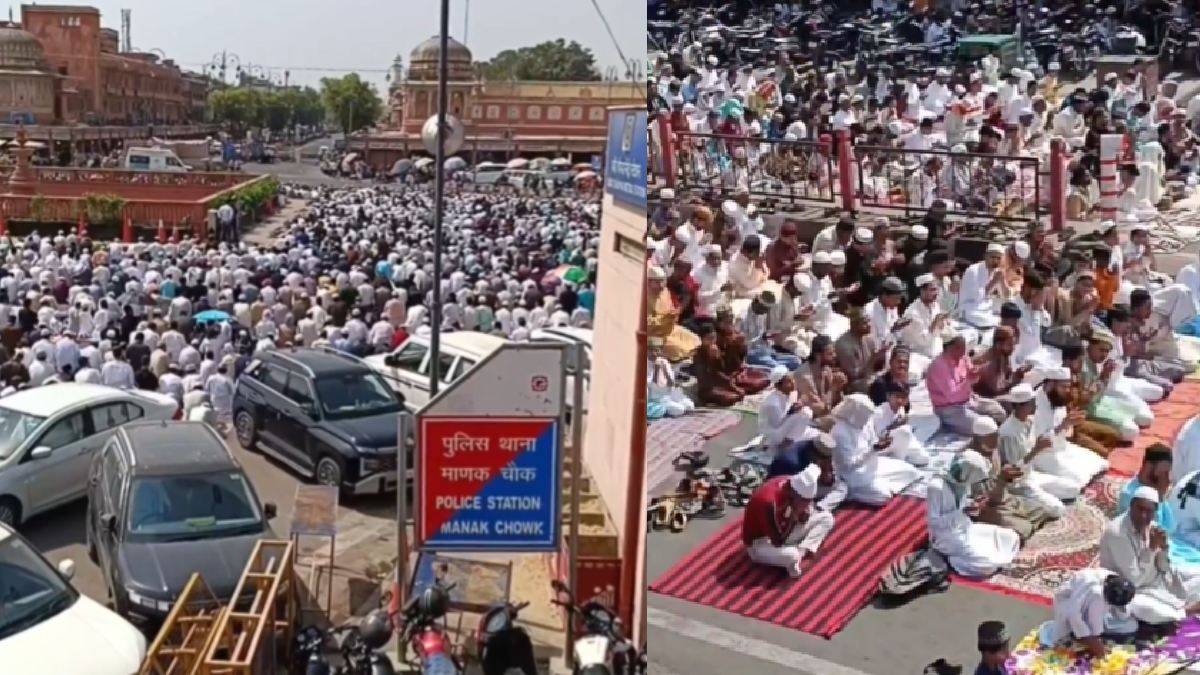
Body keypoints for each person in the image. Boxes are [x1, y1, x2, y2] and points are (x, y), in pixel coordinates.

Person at [1099, 485, 1200, 625]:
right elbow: (1134, 580)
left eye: (1149, 511)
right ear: (1131, 506)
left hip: (1157, 582)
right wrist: (1152, 548)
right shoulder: (1117, 533)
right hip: (1130, 590)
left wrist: (1164, 548)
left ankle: (1181, 606)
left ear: (1155, 512)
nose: (1143, 516)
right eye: (1140, 509)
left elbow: (1164, 568)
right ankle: (1186, 612)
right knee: (1146, 609)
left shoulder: (1152, 527)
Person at [927, 449, 1021, 577]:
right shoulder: (936, 487)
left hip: (967, 528)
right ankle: (952, 559)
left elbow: (963, 505)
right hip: (948, 537)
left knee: (1010, 536)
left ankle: (976, 557)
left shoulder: (962, 482)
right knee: (986, 564)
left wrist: (972, 505)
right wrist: (962, 512)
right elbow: (934, 523)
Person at [830, 394, 922, 506]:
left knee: (911, 472)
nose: (867, 419)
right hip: (854, 474)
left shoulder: (866, 422)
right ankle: (851, 492)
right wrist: (873, 450)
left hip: (873, 463)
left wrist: (882, 443)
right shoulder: (840, 433)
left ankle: (880, 484)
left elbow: (873, 440)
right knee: (883, 497)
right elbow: (848, 465)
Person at [742, 464, 833, 578]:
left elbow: (805, 508)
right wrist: (795, 516)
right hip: (762, 542)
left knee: (827, 518)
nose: (806, 505)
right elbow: (778, 541)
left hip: (786, 526)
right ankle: (797, 555)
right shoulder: (768, 503)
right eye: (805, 502)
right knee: (792, 555)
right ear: (796, 496)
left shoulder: (792, 483)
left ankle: (803, 549)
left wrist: (806, 511)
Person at [995, 383, 1071, 518]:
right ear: (1019, 406)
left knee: (1072, 488)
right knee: (1058, 509)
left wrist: (1065, 424)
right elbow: (1013, 470)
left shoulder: (1029, 421)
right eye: (1031, 403)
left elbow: (1042, 439)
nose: (1035, 405)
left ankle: (1039, 498)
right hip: (1019, 484)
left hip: (1031, 475)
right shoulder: (1009, 433)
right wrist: (1036, 450)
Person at [1042, 569, 1136, 659]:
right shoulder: (1093, 588)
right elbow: (1073, 614)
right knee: (1064, 639)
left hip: (1095, 601)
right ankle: (1075, 636)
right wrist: (1089, 638)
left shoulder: (1116, 583)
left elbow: (1120, 610)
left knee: (1124, 626)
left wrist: (1095, 637)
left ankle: (1089, 637)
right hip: (1067, 600)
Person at [926, 335, 1005, 436]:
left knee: (998, 412)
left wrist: (978, 372)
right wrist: (969, 380)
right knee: (984, 426)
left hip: (970, 400)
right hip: (949, 409)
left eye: (964, 348)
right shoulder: (938, 366)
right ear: (948, 347)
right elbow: (952, 396)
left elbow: (972, 376)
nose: (963, 352)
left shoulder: (963, 357)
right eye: (959, 348)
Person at [760, 365, 818, 457]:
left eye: (792, 380)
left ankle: (791, 440)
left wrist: (794, 409)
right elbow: (777, 424)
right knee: (805, 413)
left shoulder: (789, 394)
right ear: (778, 386)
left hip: (786, 429)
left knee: (816, 435)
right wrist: (792, 412)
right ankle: (785, 446)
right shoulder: (773, 403)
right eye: (788, 381)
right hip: (774, 434)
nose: (793, 383)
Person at [647, 337, 694, 419]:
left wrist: (665, 370)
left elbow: (671, 383)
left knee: (690, 406)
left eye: (657, 350)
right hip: (657, 398)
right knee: (679, 410)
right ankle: (660, 410)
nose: (654, 353)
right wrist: (657, 370)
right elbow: (652, 386)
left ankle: (667, 408)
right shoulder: (646, 364)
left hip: (669, 395)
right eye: (651, 350)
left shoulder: (664, 362)